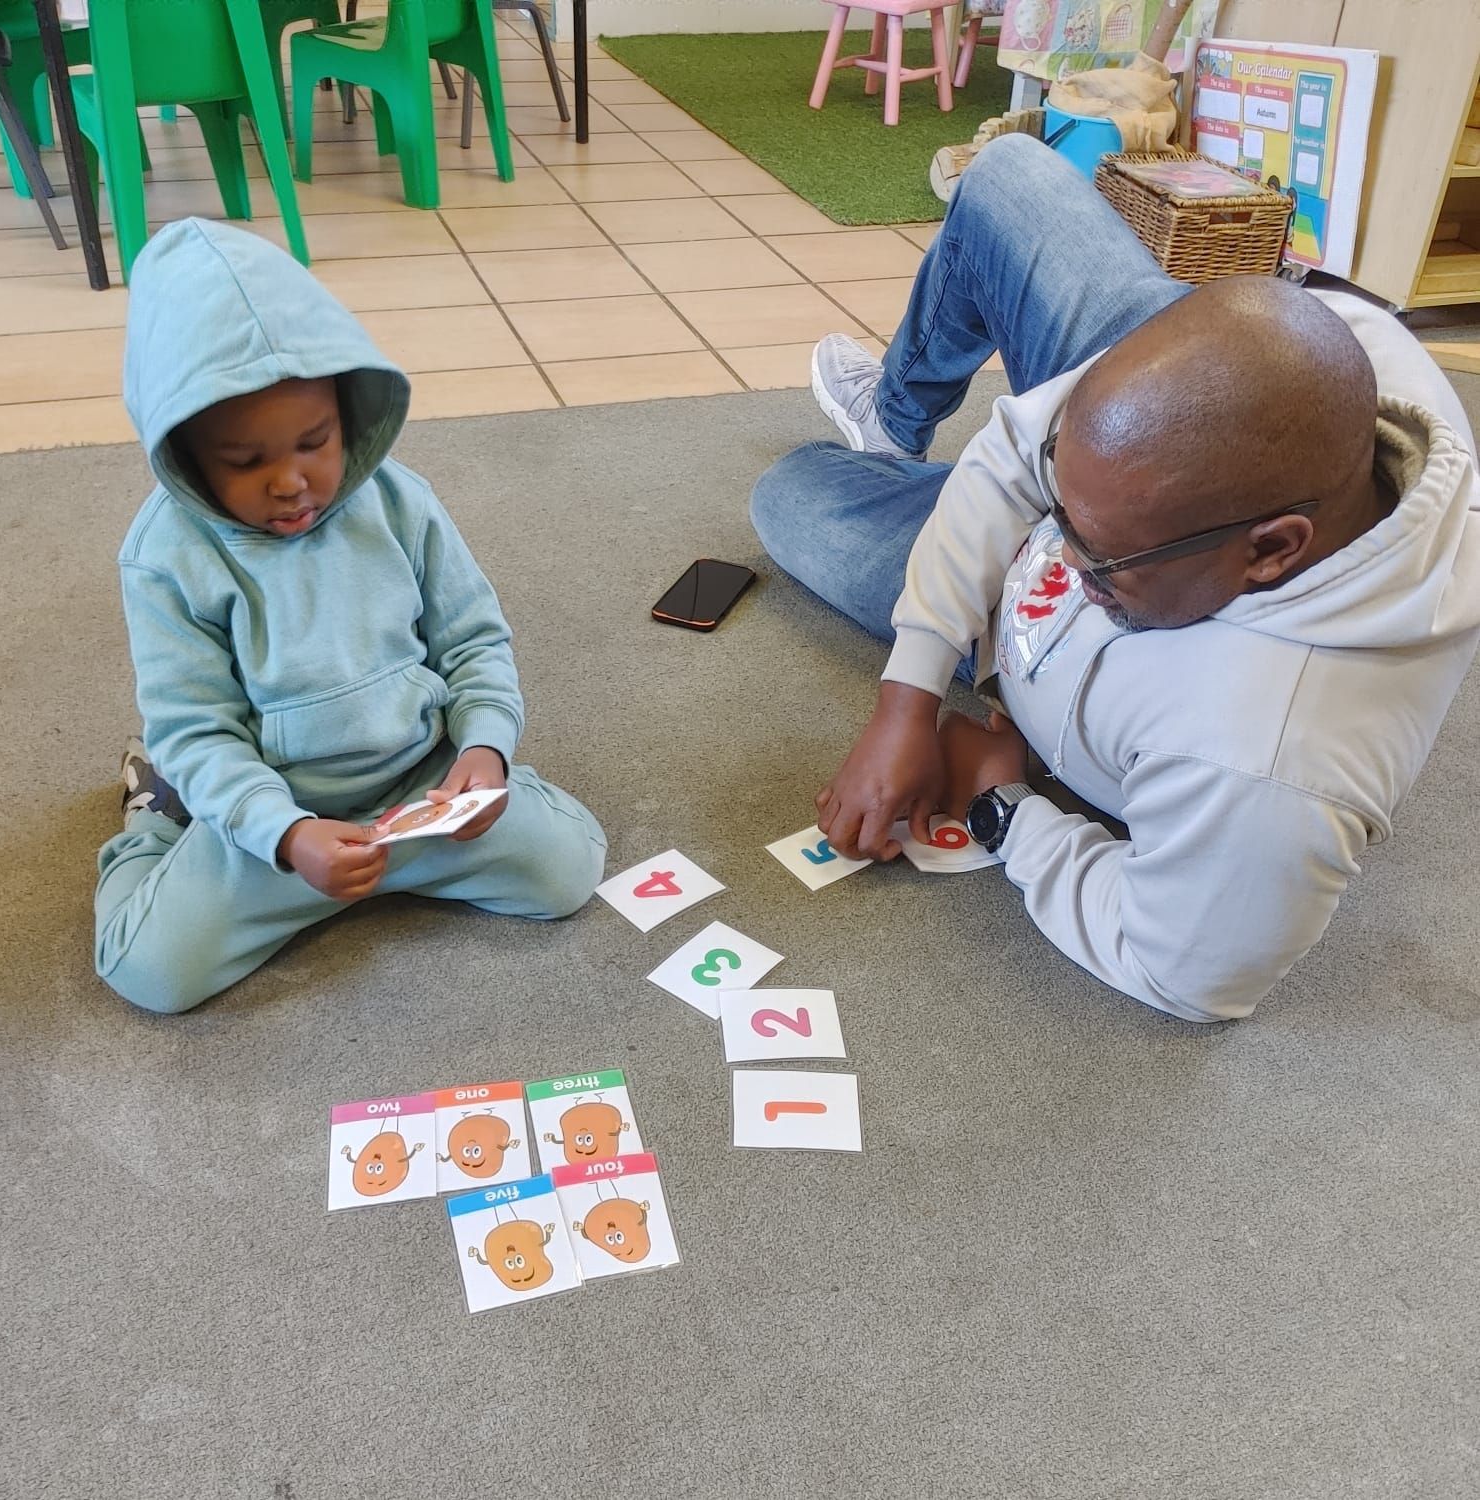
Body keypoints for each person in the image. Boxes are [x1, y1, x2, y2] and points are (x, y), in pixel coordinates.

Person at [751, 134, 1480, 1023]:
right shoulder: (1346, 339)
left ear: (1272, 549)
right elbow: (1019, 446)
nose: (1050, 549)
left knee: (791, 496)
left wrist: (1003, 807)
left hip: (1087, 619)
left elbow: (1185, 974)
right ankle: (897, 414)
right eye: (1056, 507)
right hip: (1154, 476)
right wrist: (906, 693)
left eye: (1096, 556)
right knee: (1008, 176)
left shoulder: (1269, 772)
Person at [96, 218, 606, 1015]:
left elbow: (473, 640)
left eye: (316, 441)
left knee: (568, 870)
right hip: (278, 816)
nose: (293, 482)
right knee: (148, 970)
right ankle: (157, 819)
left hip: (418, 791)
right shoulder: (164, 557)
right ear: (187, 458)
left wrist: (486, 750)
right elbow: (196, 728)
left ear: (347, 410)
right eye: (246, 462)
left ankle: (427, 833)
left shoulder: (400, 501)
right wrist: (287, 836)